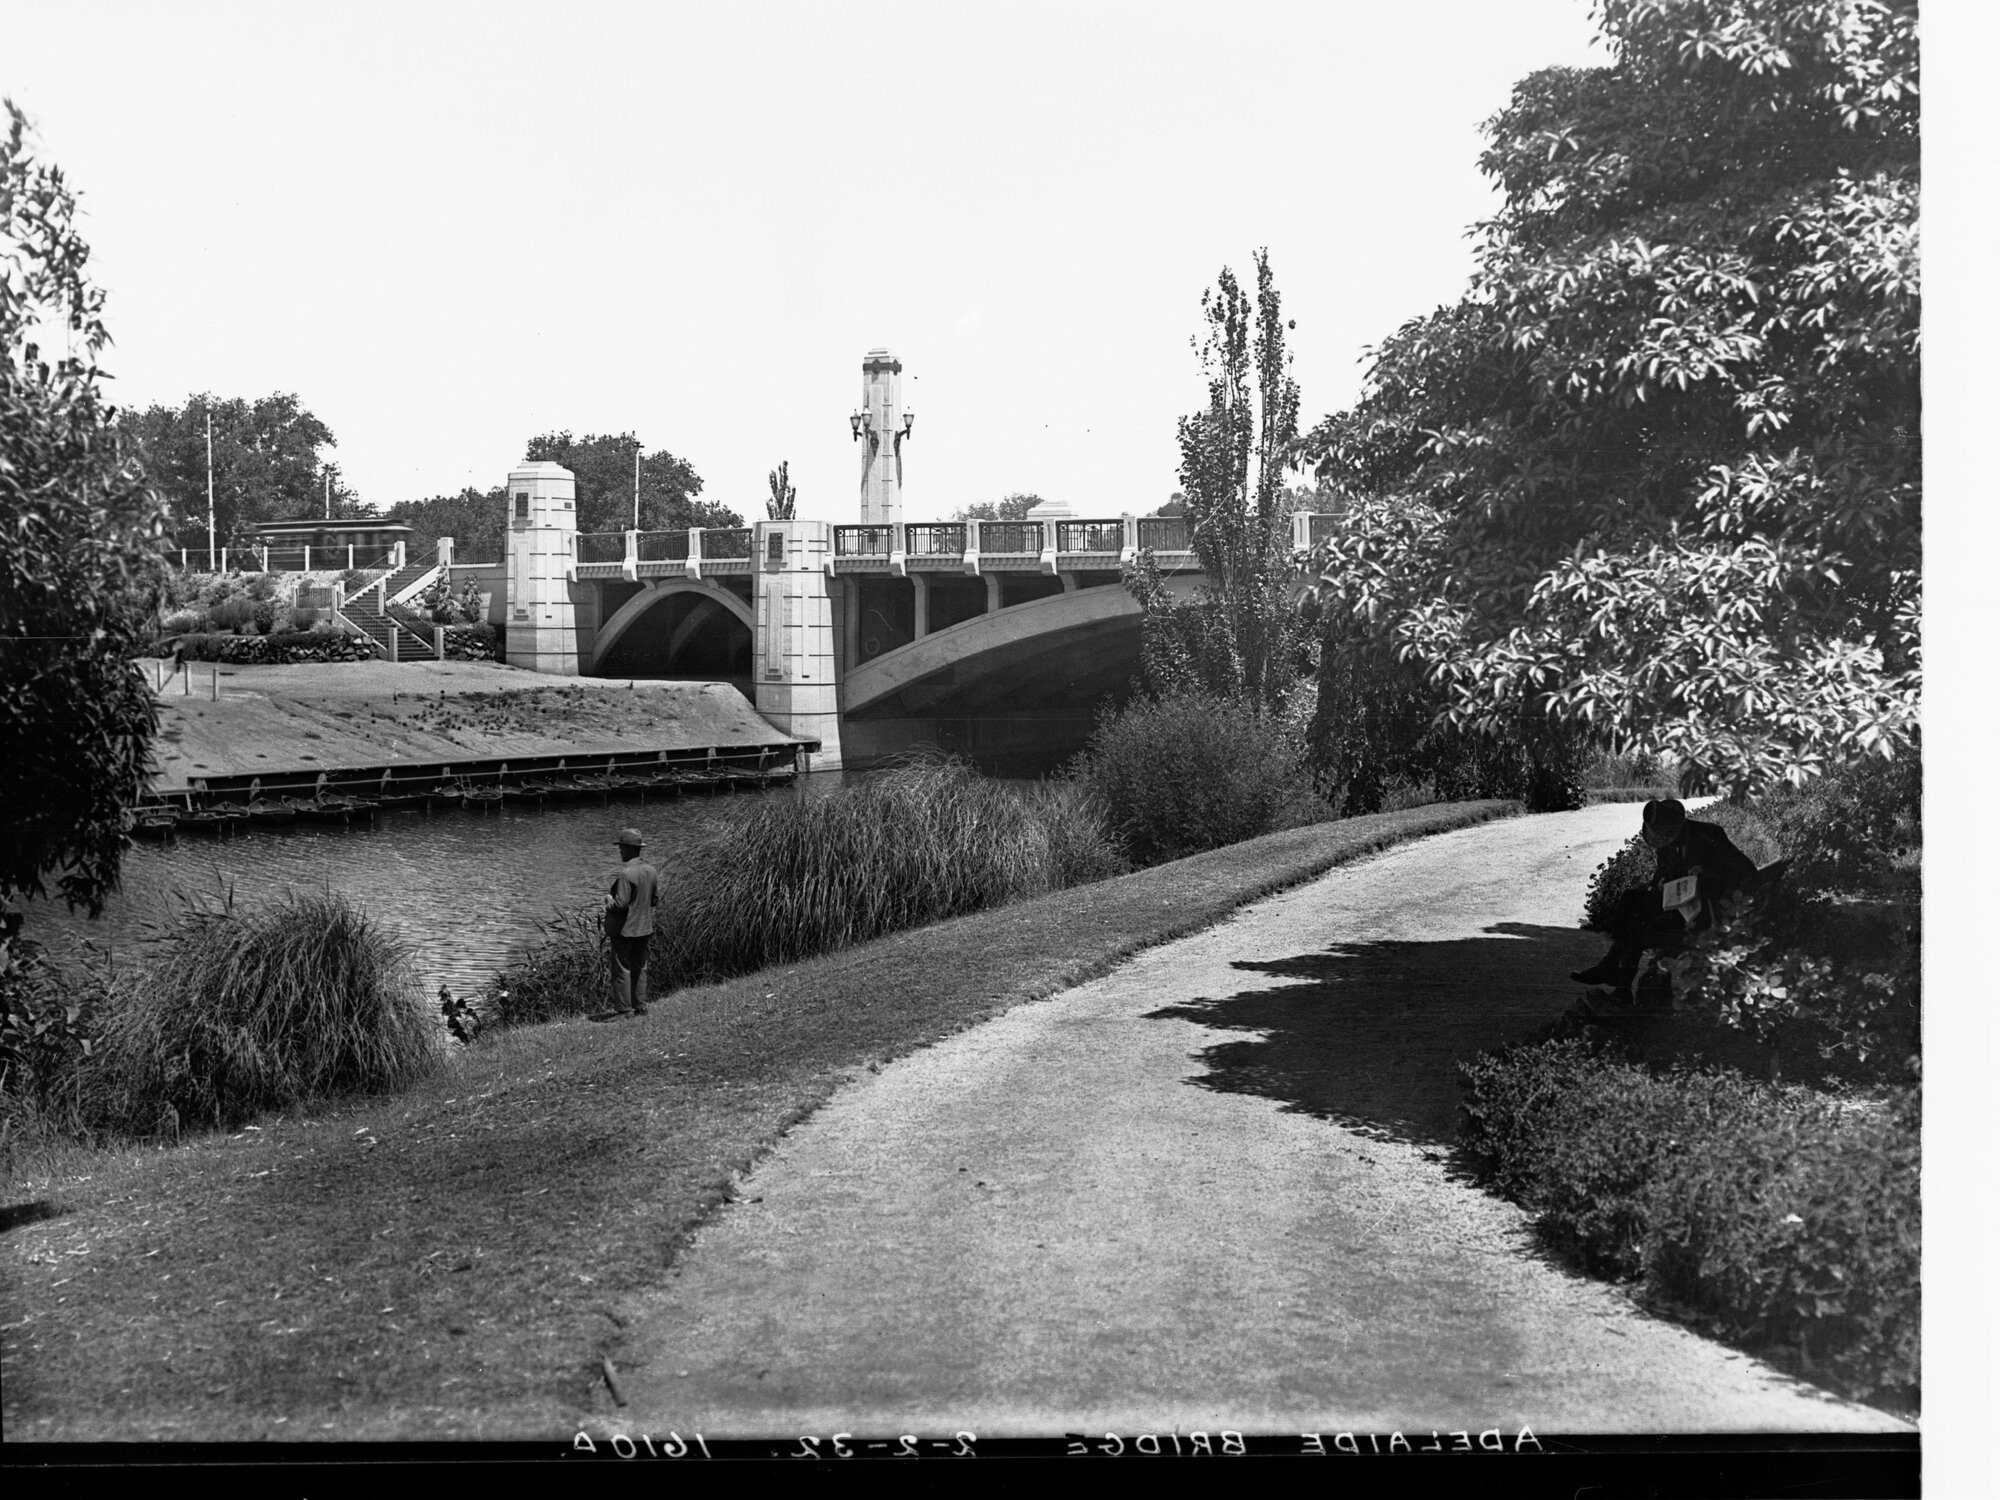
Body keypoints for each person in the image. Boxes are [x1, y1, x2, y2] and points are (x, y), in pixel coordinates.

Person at [1571, 797, 1760, 1005]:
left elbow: (1745, 870)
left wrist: (1706, 874)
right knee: (1632, 900)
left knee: (1640, 920)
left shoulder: (1709, 835)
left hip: (1705, 908)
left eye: (1672, 836)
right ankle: (1614, 974)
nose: (1669, 842)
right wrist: (1659, 884)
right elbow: (1661, 875)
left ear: (1679, 825)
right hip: (1676, 904)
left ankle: (1618, 981)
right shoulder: (1666, 843)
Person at [602, 827, 659, 1017]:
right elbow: (654, 900)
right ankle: (640, 1005)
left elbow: (621, 904)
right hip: (644, 928)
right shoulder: (651, 871)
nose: (619, 851)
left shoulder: (626, 874)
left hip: (625, 930)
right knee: (640, 966)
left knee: (621, 968)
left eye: (621, 848)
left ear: (628, 849)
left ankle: (624, 1009)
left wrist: (608, 901)